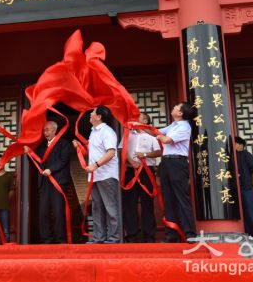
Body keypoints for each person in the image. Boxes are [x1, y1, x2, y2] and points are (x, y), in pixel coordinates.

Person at [73, 105, 120, 244]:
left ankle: (114, 238)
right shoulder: (93, 132)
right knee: (97, 207)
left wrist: (96, 165)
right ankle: (99, 238)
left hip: (107, 175)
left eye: (93, 112)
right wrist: (79, 146)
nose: (90, 114)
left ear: (99, 116)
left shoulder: (107, 131)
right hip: (96, 176)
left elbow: (111, 153)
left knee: (110, 207)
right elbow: (94, 152)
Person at [156, 102, 197, 243]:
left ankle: (190, 233)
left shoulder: (184, 127)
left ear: (180, 113)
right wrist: (140, 127)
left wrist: (159, 137)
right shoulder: (173, 125)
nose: (173, 107)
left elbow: (166, 140)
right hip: (166, 162)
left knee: (182, 198)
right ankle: (171, 235)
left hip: (178, 163)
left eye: (176, 107)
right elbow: (157, 131)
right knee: (168, 199)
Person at [27, 121, 71, 244]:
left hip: (58, 182)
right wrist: (28, 153)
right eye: (44, 130)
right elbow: (35, 161)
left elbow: (63, 160)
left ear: (54, 130)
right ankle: (46, 239)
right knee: (43, 211)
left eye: (47, 130)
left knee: (58, 211)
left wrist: (51, 169)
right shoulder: (42, 147)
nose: (45, 132)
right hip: (44, 182)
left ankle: (60, 239)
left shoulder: (63, 144)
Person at [120, 112, 161, 243]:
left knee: (147, 203)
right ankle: (131, 236)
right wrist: (132, 161)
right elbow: (122, 150)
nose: (136, 118)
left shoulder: (151, 135)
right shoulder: (127, 134)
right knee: (129, 204)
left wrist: (144, 154)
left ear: (145, 121)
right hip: (131, 171)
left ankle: (149, 237)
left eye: (140, 117)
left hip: (146, 171)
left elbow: (159, 152)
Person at [234, 136, 253, 240]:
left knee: (252, 214)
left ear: (241, 145)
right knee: (244, 216)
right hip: (237, 190)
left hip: (247, 188)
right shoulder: (232, 156)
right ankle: (248, 237)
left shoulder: (246, 154)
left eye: (235, 143)